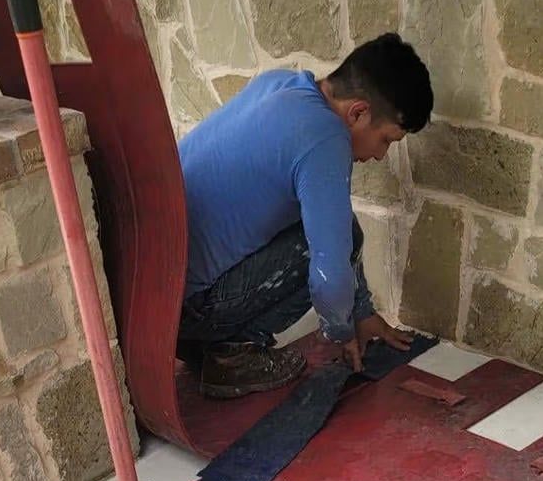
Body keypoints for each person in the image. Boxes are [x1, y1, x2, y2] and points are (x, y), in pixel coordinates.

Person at [177, 33, 433, 399]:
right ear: (358, 112)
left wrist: (361, 311)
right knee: (330, 246)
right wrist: (341, 333)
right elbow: (330, 278)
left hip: (162, 302)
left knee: (341, 228)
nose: (380, 155)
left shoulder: (280, 85)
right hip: (190, 309)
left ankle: (207, 345)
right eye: (387, 140)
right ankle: (232, 353)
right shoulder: (324, 139)